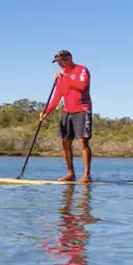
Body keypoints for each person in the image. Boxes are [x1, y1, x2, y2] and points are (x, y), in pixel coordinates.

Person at [39, 50, 92, 182]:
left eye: (61, 61)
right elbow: (56, 98)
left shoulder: (81, 70)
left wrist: (65, 78)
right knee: (65, 143)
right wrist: (46, 111)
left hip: (82, 110)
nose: (60, 65)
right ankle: (71, 173)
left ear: (69, 59)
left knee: (82, 142)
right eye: (57, 62)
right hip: (67, 111)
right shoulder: (61, 78)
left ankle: (86, 175)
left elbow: (82, 86)